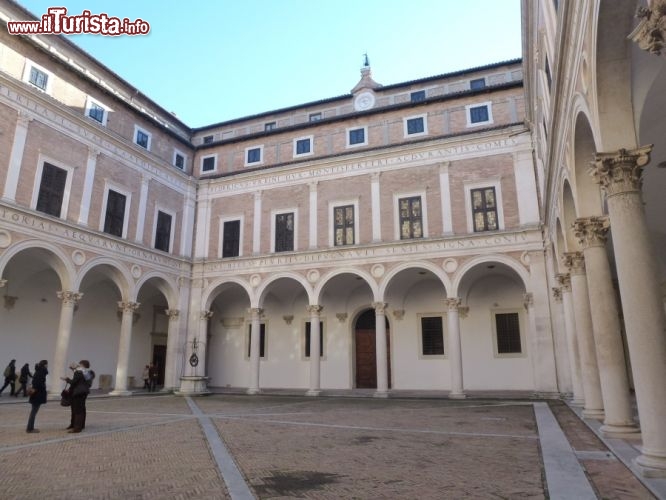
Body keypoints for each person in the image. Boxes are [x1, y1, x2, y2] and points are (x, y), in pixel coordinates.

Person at [62, 360, 95, 433]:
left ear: (82, 365)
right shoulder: (88, 373)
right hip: (83, 392)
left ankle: (77, 427)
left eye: (79, 364)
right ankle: (80, 425)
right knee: (81, 409)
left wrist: (67, 379)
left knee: (77, 410)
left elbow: (74, 382)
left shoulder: (79, 372)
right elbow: (86, 383)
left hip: (77, 393)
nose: (78, 365)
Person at [26, 360, 48, 433]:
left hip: (36, 394)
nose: (47, 366)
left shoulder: (38, 371)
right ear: (44, 365)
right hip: (37, 395)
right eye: (47, 364)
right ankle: (30, 428)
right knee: (34, 412)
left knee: (33, 411)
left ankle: (30, 427)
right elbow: (37, 384)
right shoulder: (41, 372)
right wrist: (43, 386)